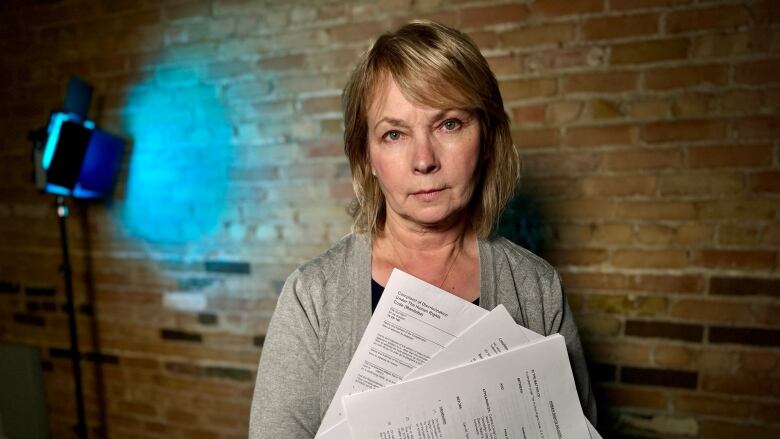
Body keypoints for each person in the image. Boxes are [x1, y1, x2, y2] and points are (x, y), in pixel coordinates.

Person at [248, 20, 596, 438]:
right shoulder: (315, 296)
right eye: (394, 134)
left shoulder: (537, 288)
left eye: (449, 124)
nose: (424, 159)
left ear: (486, 138)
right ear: (368, 157)